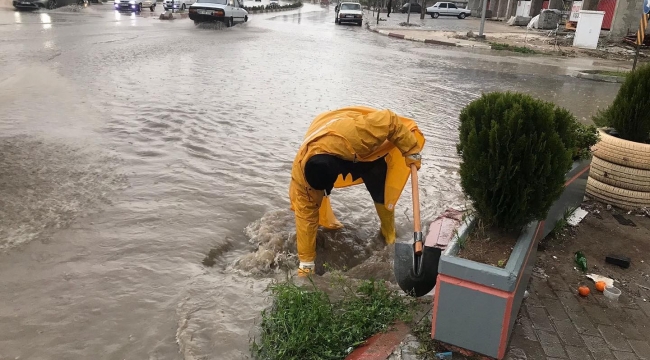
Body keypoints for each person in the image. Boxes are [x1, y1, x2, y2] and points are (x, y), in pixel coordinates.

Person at [289, 106, 425, 276]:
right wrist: (306, 263)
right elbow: (304, 219)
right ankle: (313, 253)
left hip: (357, 145)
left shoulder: (357, 135)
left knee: (379, 185)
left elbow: (390, 121)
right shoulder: (302, 181)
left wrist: (411, 150)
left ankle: (389, 233)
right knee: (310, 212)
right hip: (322, 139)